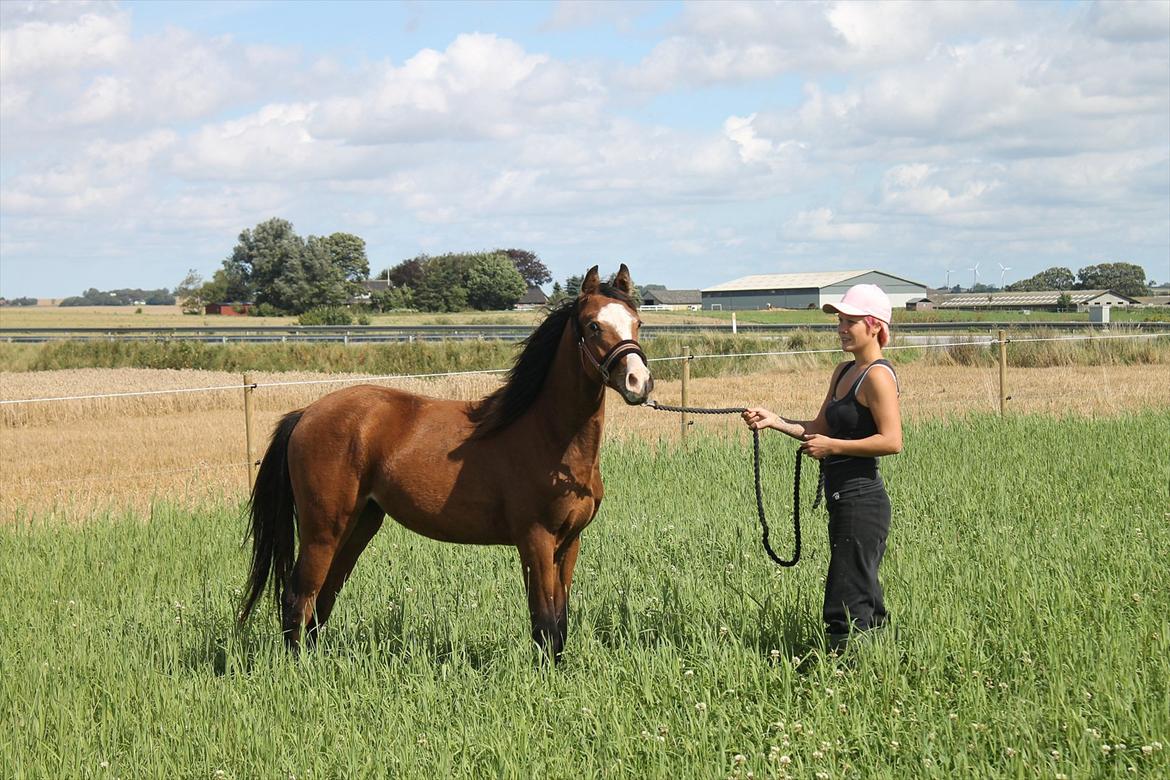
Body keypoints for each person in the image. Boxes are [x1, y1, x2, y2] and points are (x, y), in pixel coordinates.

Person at [742, 284, 902, 649]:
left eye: (850, 321)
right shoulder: (843, 371)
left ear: (874, 326)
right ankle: (873, 663)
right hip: (842, 496)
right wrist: (774, 420)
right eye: (840, 320)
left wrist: (833, 447)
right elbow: (818, 429)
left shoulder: (876, 376)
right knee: (858, 588)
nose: (842, 327)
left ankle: (848, 670)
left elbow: (892, 441)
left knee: (847, 595)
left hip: (862, 499)